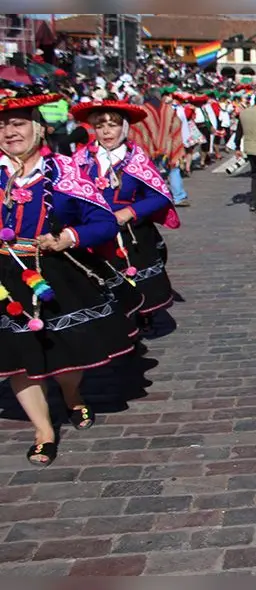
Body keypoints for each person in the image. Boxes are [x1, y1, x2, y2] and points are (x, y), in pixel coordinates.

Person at [1, 86, 135, 466]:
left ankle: (72, 395)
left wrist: (67, 238)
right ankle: (43, 430)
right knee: (18, 357)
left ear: (38, 129)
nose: (10, 132)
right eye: (2, 127)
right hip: (4, 279)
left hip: (55, 274)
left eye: (18, 124)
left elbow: (103, 221)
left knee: (66, 356)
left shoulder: (63, 171)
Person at [70, 99, 181, 332]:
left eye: (113, 124)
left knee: (136, 283)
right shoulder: (80, 161)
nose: (107, 131)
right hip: (94, 236)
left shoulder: (136, 159)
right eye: (101, 126)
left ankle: (141, 318)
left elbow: (161, 196)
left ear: (125, 128)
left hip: (130, 234)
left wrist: (129, 211)